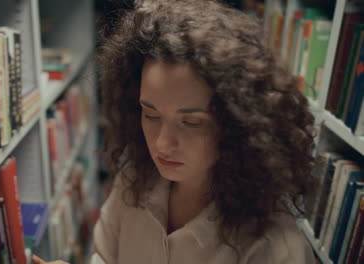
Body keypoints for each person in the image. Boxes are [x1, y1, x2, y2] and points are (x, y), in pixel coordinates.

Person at [33, 0, 317, 263]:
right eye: (151, 115)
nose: (162, 144)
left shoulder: (274, 246)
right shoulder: (135, 180)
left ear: (239, 123)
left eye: (192, 122)